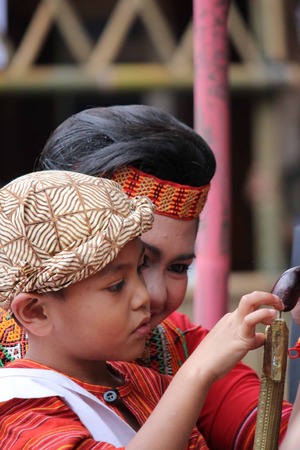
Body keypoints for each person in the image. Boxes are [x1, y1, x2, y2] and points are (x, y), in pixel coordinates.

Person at [0, 105, 294, 448]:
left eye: (178, 268)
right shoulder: (20, 398)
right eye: (122, 277)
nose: (150, 295)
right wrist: (194, 378)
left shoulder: (172, 356)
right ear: (35, 311)